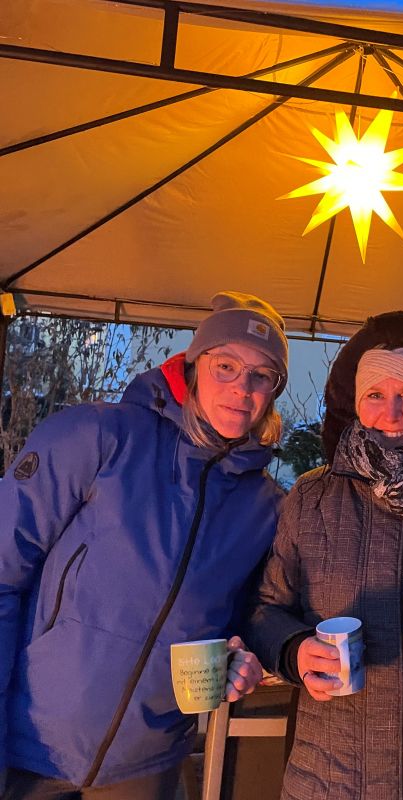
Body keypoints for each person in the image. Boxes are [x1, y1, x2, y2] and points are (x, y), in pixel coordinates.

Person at [0, 291, 288, 799]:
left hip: (148, 761)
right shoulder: (97, 435)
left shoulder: (266, 505)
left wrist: (243, 658)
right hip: (32, 744)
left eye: (261, 376)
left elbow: (245, 617)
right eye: (226, 365)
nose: (242, 388)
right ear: (193, 367)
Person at [246, 308, 403, 800]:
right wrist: (293, 650)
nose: (390, 413)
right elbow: (266, 606)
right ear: (354, 405)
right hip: (329, 779)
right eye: (375, 395)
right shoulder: (312, 498)